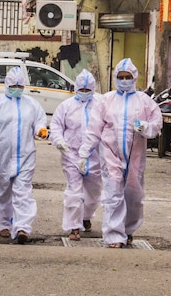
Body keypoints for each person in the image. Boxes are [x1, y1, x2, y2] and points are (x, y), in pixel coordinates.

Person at [77, 59, 162, 248]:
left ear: (134, 77)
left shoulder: (144, 101)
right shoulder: (106, 100)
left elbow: (157, 123)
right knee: (113, 192)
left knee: (134, 195)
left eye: (128, 77)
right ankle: (114, 235)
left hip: (135, 155)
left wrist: (145, 127)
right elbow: (93, 129)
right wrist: (84, 153)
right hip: (110, 152)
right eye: (121, 77)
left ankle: (128, 229)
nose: (124, 80)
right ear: (115, 78)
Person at [0, 66, 48, 244]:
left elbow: (40, 120)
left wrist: (41, 130)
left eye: (20, 85)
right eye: (13, 85)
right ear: (6, 84)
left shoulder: (31, 104)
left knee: (23, 191)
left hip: (25, 155)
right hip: (2, 155)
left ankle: (22, 227)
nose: (17, 88)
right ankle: (3, 224)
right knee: (3, 191)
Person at [49, 69, 103, 241]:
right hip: (71, 154)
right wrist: (59, 141)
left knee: (94, 193)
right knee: (74, 191)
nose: (84, 93)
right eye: (82, 90)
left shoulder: (101, 104)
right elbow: (56, 126)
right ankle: (74, 227)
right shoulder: (66, 106)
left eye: (88, 90)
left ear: (93, 89)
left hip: (95, 156)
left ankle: (86, 216)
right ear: (76, 88)